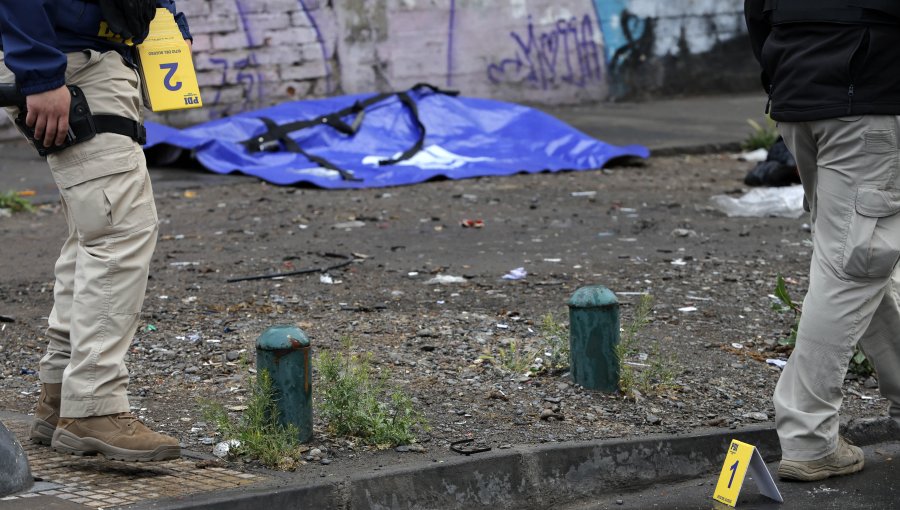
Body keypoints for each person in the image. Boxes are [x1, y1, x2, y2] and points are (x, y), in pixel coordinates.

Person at [0, 1, 192, 462]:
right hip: (66, 60)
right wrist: (42, 73)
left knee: (95, 230)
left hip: (93, 57)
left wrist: (168, 21)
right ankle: (94, 406)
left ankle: (63, 398)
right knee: (119, 231)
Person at [745, 0, 900, 481]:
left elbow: (756, 15)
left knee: (855, 259)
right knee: (854, 267)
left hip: (799, 98)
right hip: (867, 100)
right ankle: (810, 438)